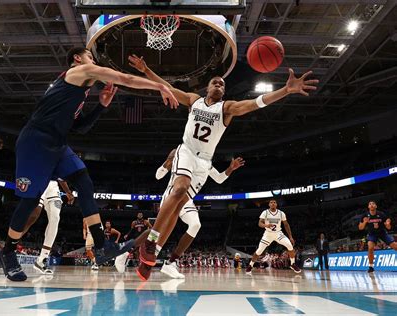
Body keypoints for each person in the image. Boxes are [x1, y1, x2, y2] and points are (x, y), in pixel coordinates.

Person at [128, 54, 318, 280]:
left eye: (222, 84)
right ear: (207, 88)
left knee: (178, 206)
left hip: (204, 162)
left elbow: (254, 104)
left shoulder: (226, 109)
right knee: (179, 189)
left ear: (223, 91)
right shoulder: (193, 100)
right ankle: (150, 243)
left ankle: (152, 258)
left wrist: (285, 91)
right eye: (215, 82)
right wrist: (146, 68)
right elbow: (166, 86)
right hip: (186, 151)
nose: (218, 85)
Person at [0, 47, 179, 281]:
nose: (93, 61)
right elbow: (124, 78)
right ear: (77, 59)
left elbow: (80, 127)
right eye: (90, 57)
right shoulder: (78, 72)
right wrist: (160, 86)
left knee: (83, 180)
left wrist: (101, 106)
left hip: (58, 144)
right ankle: (7, 252)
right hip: (35, 141)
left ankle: (102, 246)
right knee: (30, 201)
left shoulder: (78, 91)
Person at [156, 148, 244, 279]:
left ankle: (171, 263)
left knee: (195, 224)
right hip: (172, 196)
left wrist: (230, 168)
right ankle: (128, 250)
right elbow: (158, 176)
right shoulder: (183, 152)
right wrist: (167, 162)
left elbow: (219, 179)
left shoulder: (206, 162)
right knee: (156, 232)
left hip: (187, 201)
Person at [22, 180, 74, 274]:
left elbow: (61, 178)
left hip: (53, 188)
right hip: (39, 182)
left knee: (55, 218)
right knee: (33, 216)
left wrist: (68, 192)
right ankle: (11, 245)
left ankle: (42, 259)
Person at [246, 199, 301, 274]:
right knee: (259, 251)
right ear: (269, 204)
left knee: (290, 245)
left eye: (274, 202)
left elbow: (286, 225)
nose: (273, 203)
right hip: (268, 234)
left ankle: (292, 264)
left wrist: (290, 237)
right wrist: (266, 225)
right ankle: (250, 265)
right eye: (271, 202)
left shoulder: (281, 213)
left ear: (276, 204)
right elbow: (259, 223)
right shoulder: (265, 212)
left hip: (278, 233)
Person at [358, 200, 397, 273]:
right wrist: (365, 222)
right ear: (368, 207)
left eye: (373, 204)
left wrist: (388, 224)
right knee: (370, 247)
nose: (371, 205)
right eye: (370, 204)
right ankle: (371, 266)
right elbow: (360, 228)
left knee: (394, 246)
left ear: (376, 206)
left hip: (382, 232)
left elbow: (388, 227)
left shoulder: (381, 214)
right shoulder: (365, 216)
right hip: (372, 233)